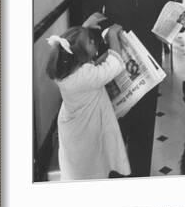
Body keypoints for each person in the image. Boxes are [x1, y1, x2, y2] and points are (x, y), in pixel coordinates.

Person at [84, 0, 176, 176]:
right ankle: (114, 180)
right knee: (114, 124)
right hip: (112, 54)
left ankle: (139, 182)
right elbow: (90, 4)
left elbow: (165, 11)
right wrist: (107, 33)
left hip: (148, 58)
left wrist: (179, 19)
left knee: (144, 126)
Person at [46, 24, 130, 181]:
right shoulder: (85, 75)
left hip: (73, 128)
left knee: (76, 168)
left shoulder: (64, 71)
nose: (94, 41)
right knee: (92, 166)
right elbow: (116, 65)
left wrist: (84, 28)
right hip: (87, 129)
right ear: (80, 54)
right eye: (91, 41)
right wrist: (112, 35)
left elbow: (89, 63)